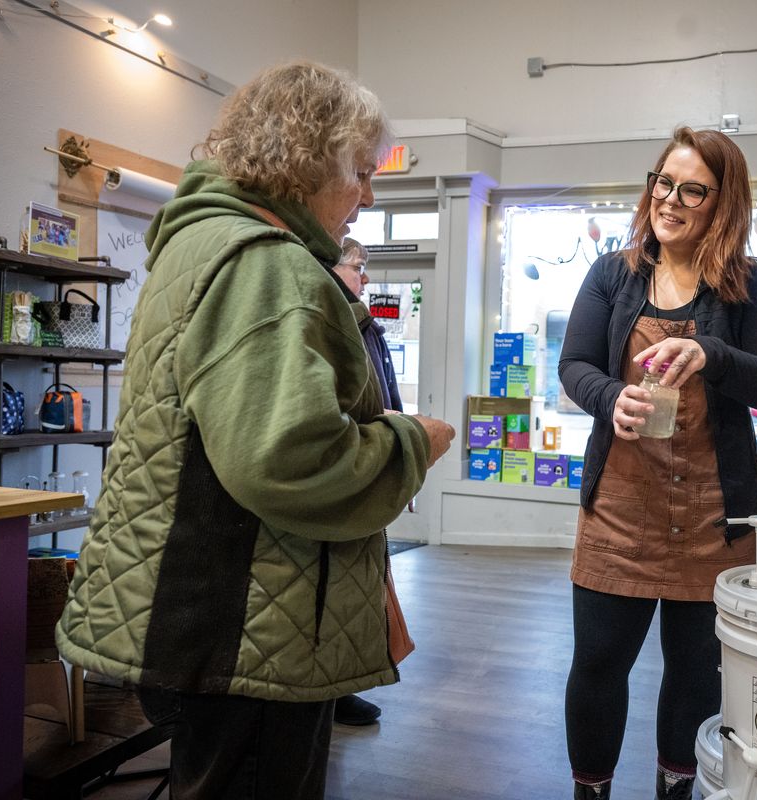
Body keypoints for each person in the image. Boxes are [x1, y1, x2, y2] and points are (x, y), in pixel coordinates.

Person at [56, 61, 456, 799]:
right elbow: (290, 461)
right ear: (308, 160)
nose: (368, 197)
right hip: (241, 629)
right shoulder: (264, 267)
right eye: (361, 173)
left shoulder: (199, 244)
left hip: (199, 615)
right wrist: (412, 442)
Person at [559, 126, 757, 800]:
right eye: (663, 182)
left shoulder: (749, 286)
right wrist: (612, 400)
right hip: (620, 508)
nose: (670, 200)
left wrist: (711, 356)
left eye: (692, 189)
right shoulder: (614, 273)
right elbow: (573, 364)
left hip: (712, 516)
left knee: (696, 672)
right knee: (599, 664)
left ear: (722, 203)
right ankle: (592, 792)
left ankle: (676, 791)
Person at [329, 237, 407, 726]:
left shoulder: (364, 322)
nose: (366, 277)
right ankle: (334, 690)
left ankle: (343, 684)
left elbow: (383, 388)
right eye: (359, 266)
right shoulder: (328, 320)